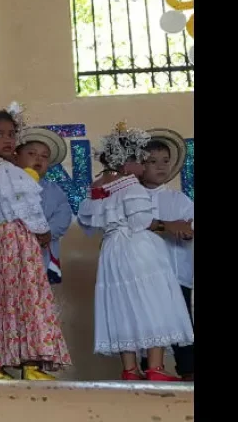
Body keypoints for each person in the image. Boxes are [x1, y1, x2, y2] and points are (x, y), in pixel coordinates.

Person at [0, 104, 71, 380]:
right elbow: (25, 206)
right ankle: (30, 365)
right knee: (27, 298)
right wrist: (42, 230)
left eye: (11, 134)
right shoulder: (8, 171)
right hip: (15, 242)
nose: (7, 140)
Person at [77, 123, 193, 381]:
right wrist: (167, 225)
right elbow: (141, 222)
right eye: (141, 160)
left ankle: (130, 369)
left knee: (124, 305)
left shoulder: (98, 189)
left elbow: (87, 222)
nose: (144, 166)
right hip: (137, 248)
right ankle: (156, 368)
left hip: (112, 251)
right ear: (127, 162)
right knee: (155, 303)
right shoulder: (132, 186)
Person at [137, 129, 194, 381]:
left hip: (175, 273)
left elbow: (189, 229)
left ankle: (188, 369)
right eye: (152, 161)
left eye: (165, 161)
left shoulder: (178, 198)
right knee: (147, 321)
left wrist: (183, 230)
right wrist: (167, 226)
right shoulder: (132, 198)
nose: (161, 167)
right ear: (140, 165)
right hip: (143, 273)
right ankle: (149, 368)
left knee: (181, 321)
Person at [14, 127, 73, 284]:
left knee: (38, 301)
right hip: (12, 255)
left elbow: (64, 215)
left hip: (42, 256)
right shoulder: (6, 186)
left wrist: (49, 232)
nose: (38, 160)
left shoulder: (54, 190)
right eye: (32, 154)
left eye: (44, 156)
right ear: (16, 157)